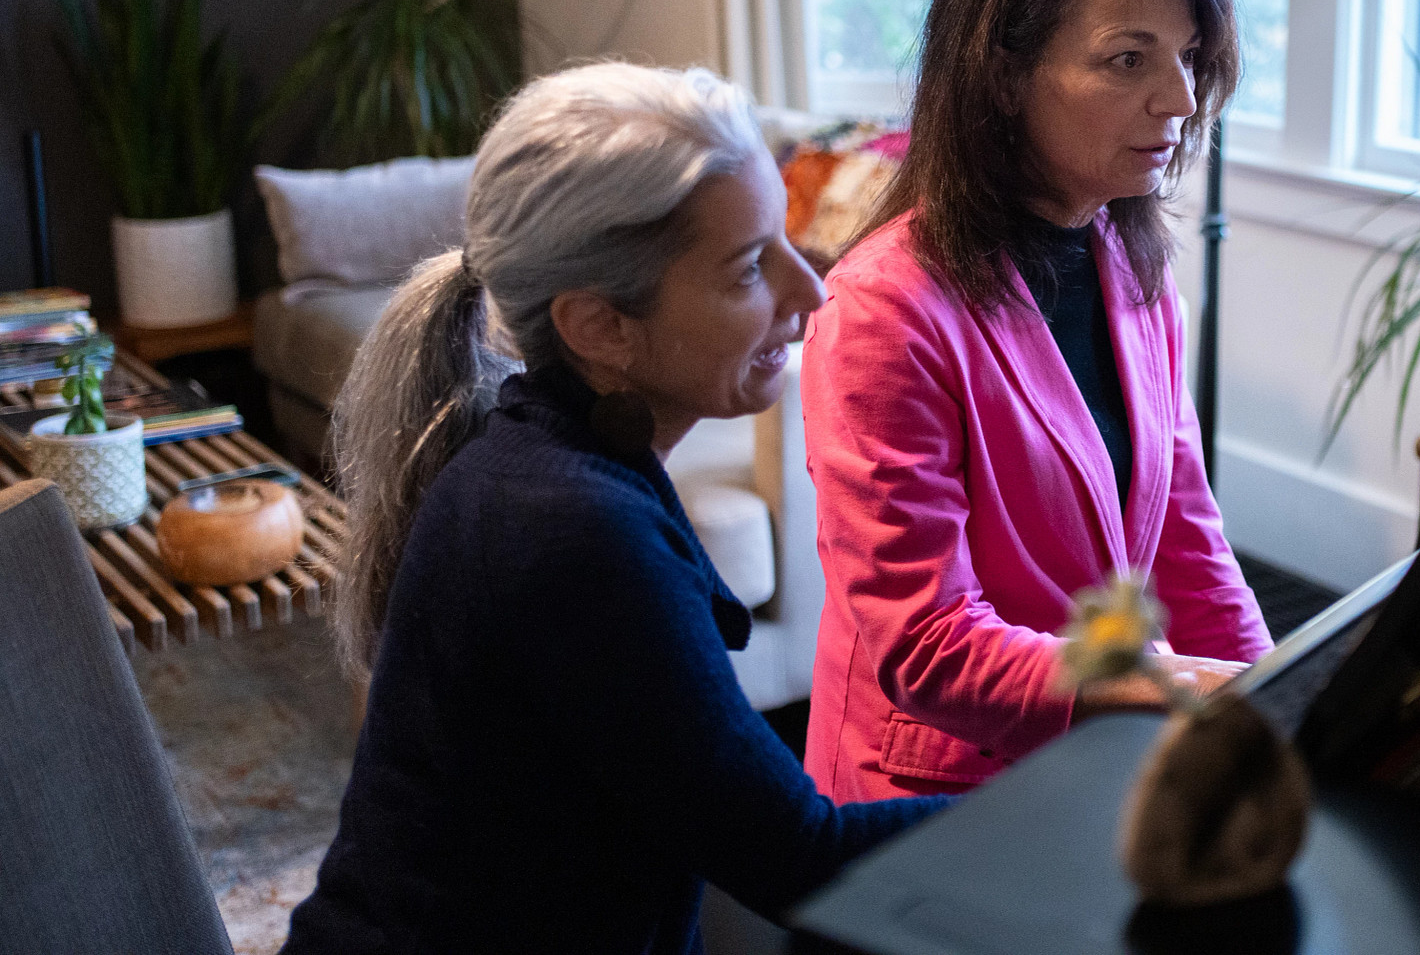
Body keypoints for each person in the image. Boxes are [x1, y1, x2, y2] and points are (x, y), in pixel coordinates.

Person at [283, 64, 945, 955]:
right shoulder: (570, 530)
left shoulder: (545, 463)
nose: (812, 290)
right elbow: (800, 857)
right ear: (599, 327)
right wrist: (1068, 801)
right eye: (751, 266)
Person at [803, 0, 1275, 804]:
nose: (1177, 99)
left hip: (1092, 750)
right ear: (1005, 78)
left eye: (1185, 57)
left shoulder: (1129, 261)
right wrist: (1179, 688)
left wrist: (1281, 698)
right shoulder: (882, 308)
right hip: (934, 790)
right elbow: (926, 645)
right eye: (1127, 60)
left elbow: (1184, 535)